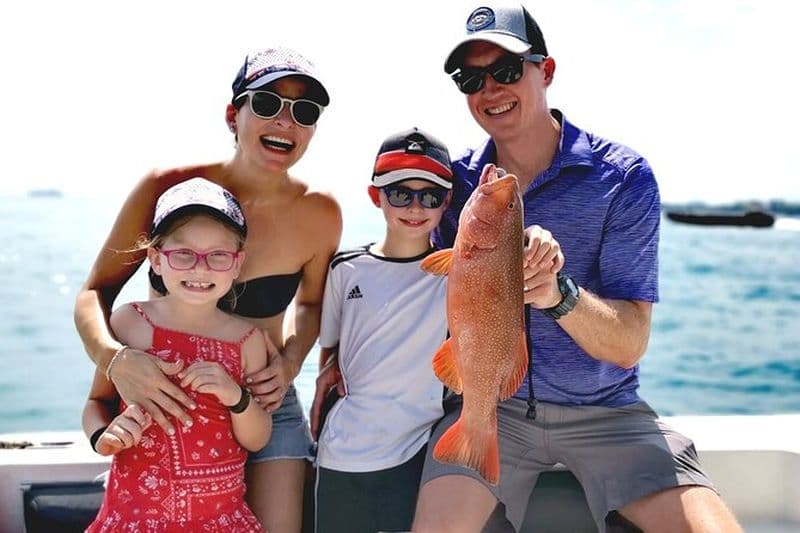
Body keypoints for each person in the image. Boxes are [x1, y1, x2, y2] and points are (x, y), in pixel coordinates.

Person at [411, 4, 744, 533]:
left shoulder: (623, 177)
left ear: (545, 71)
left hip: (608, 414)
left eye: (506, 70)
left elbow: (630, 343)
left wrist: (556, 293)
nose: (490, 89)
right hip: (492, 408)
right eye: (471, 79)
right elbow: (403, 267)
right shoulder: (454, 184)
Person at [74, 47, 342, 533]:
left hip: (264, 400)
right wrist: (116, 361)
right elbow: (95, 293)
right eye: (268, 104)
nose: (285, 121)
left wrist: (289, 362)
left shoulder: (320, 212)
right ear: (233, 115)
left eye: (304, 112)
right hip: (166, 395)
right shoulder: (167, 187)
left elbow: (310, 303)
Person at [83, 178, 271, 531]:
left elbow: (257, 437)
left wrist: (236, 397)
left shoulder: (248, 340)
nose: (200, 268)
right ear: (156, 259)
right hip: (135, 519)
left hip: (220, 521)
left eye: (218, 255)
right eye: (183, 253)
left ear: (237, 264)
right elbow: (97, 403)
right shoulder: (130, 323)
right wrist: (103, 436)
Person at [309, 128, 452, 533]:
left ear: (446, 202)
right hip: (342, 453)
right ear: (376, 196)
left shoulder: (456, 274)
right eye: (400, 193)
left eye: (430, 196)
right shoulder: (345, 268)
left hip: (417, 449)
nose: (415, 206)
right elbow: (331, 352)